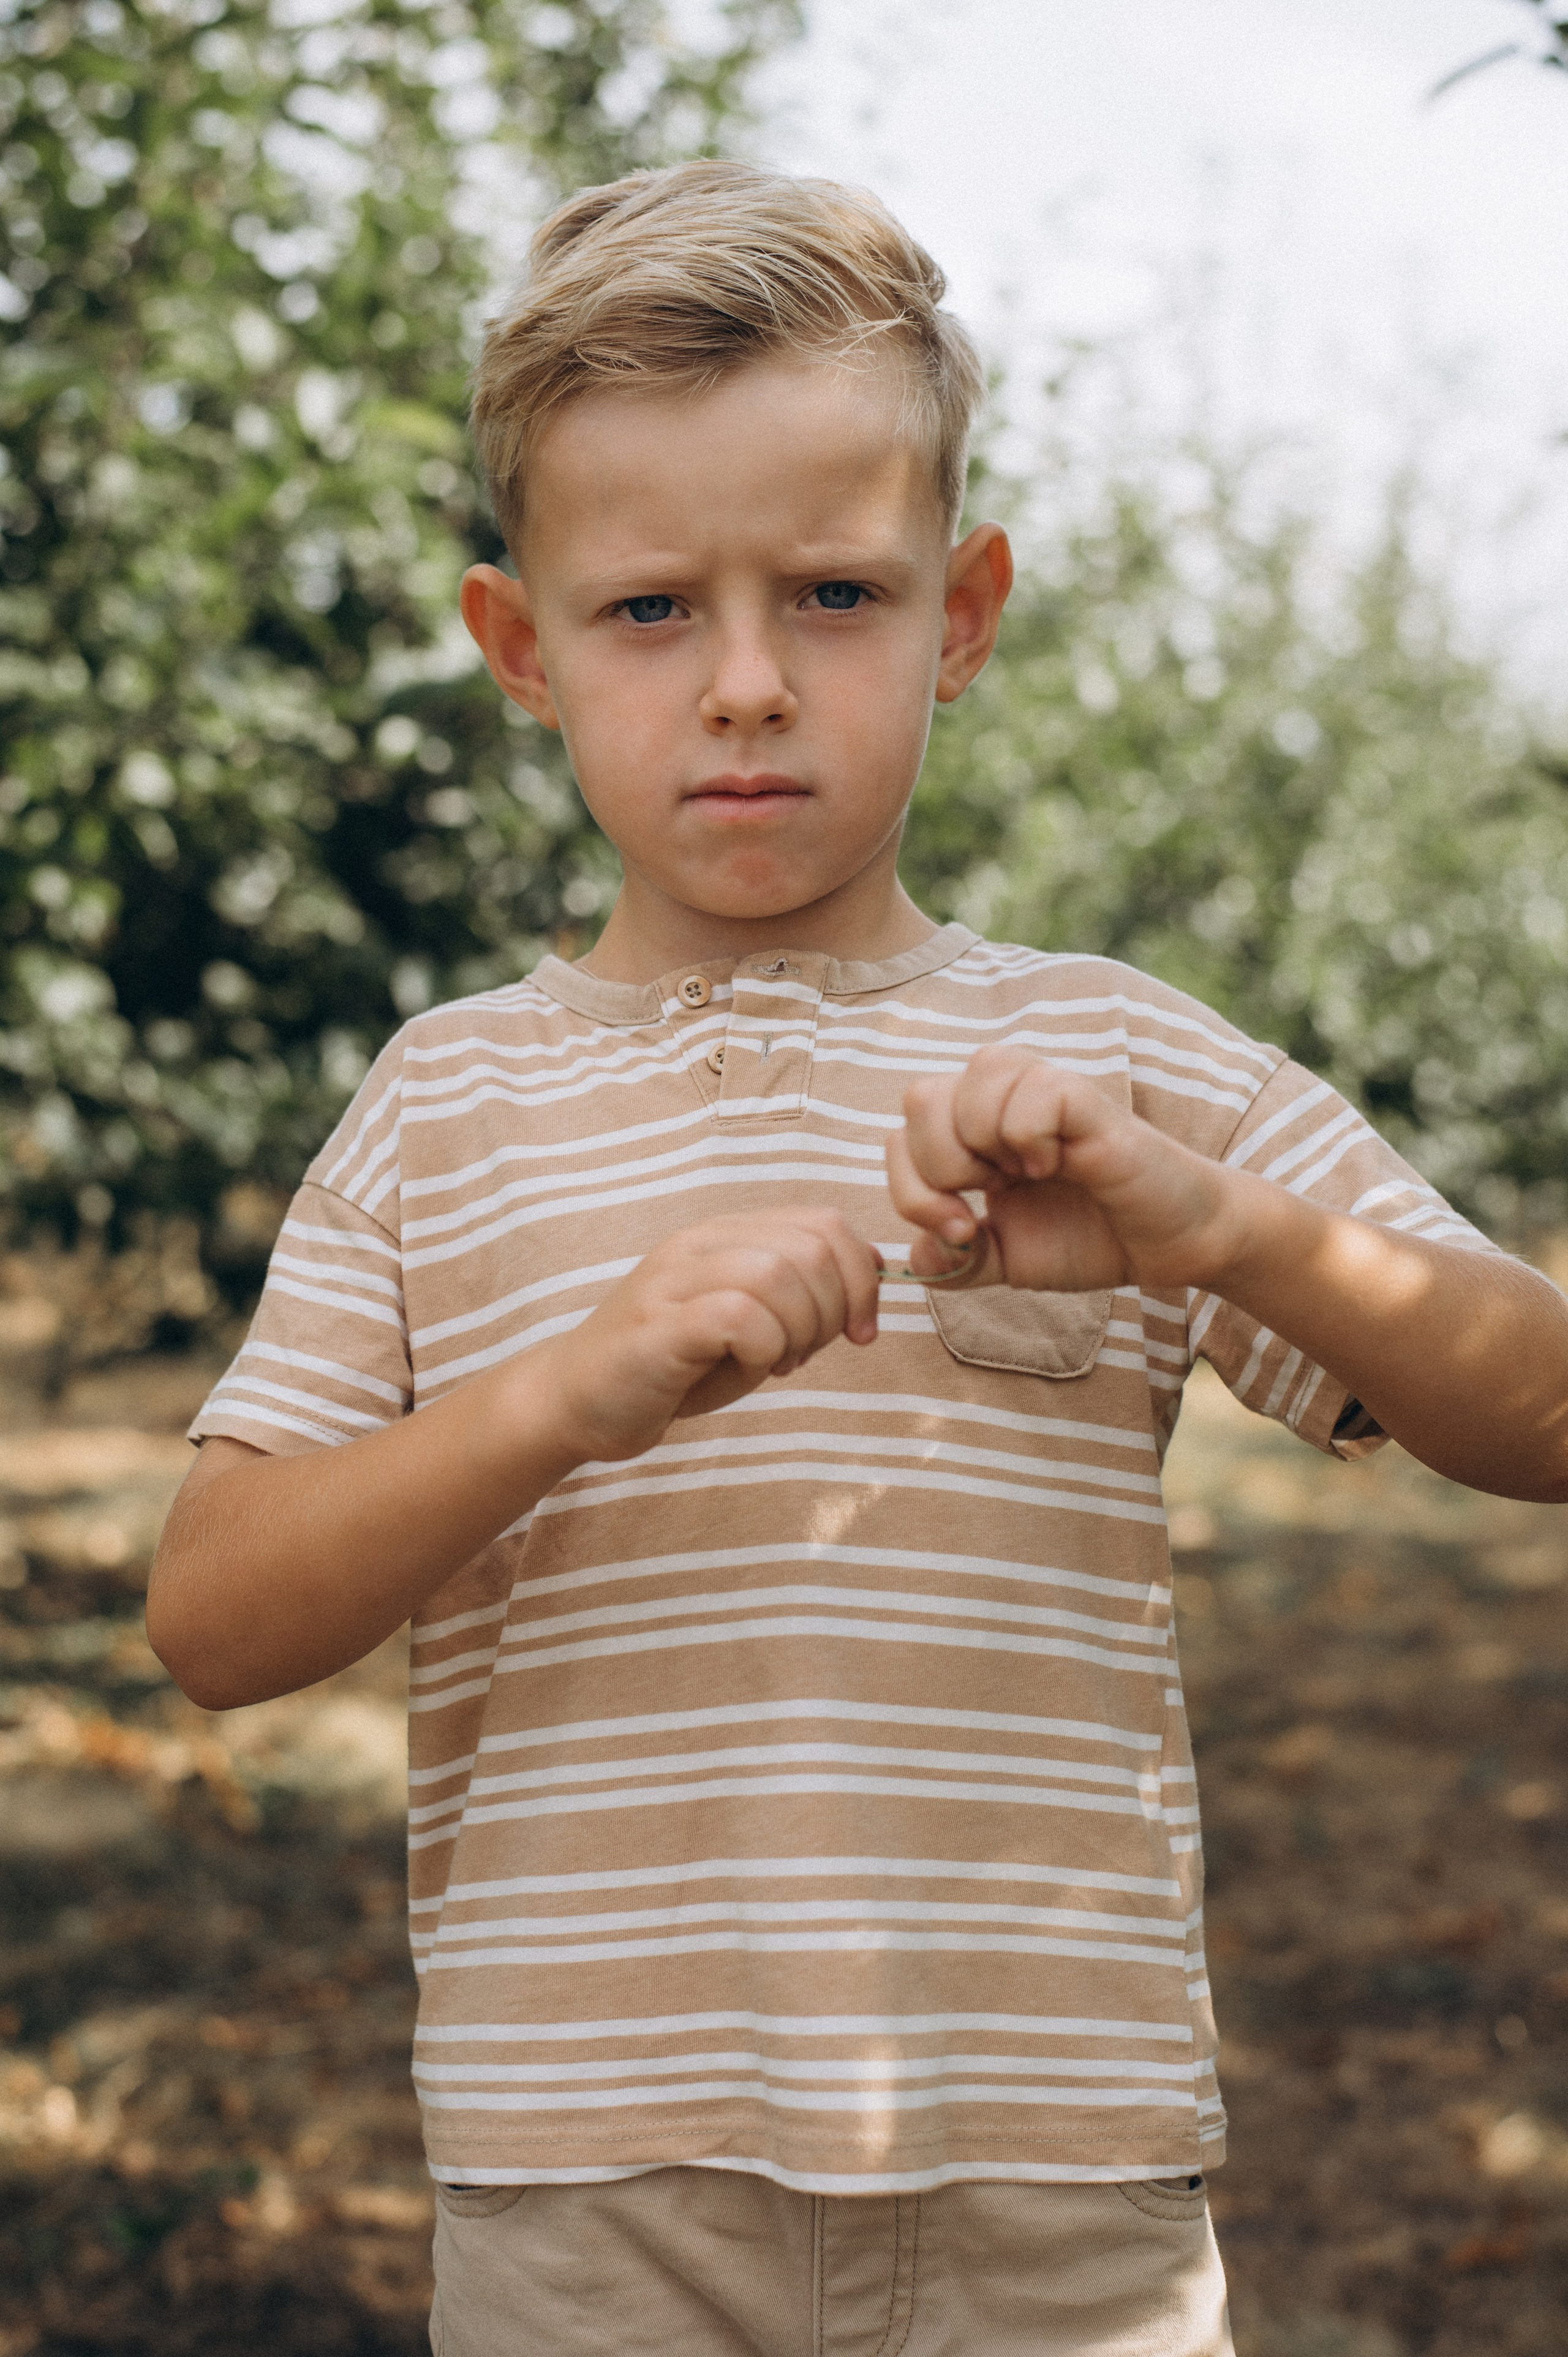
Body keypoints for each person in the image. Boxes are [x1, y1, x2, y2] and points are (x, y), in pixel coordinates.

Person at [146, 160, 1568, 2357]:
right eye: (649, 611)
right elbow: (214, 1611)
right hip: (594, 2190)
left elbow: (1544, 1409)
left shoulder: (1110, 1062)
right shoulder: (447, 1103)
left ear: (961, 615)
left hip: (1059, 2183)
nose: (745, 686)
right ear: (521, 650)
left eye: (833, 594)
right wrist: (561, 1396)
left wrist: (1226, 1227)